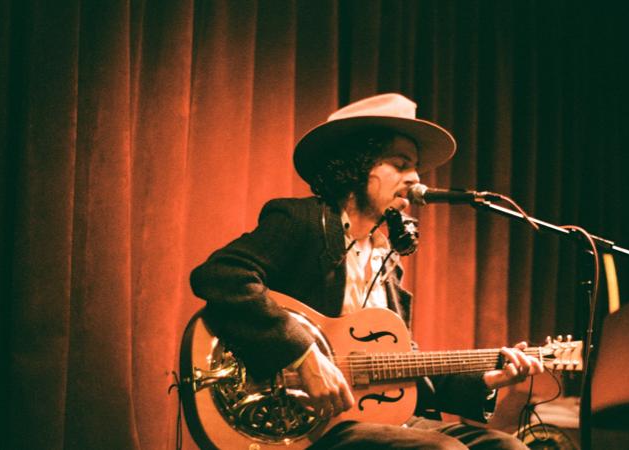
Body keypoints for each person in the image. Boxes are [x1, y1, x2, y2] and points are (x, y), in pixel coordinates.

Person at [190, 93, 543, 449]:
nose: (416, 178)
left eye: (416, 167)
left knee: (509, 448)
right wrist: (303, 355)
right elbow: (221, 274)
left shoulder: (387, 257)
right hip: (305, 419)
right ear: (356, 166)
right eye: (401, 164)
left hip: (378, 421)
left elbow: (398, 366)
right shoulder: (302, 221)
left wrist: (484, 381)